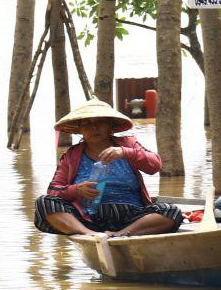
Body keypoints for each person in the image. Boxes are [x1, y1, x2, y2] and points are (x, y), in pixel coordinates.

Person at [33, 98, 184, 238]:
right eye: (87, 123)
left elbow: (155, 165)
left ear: (110, 126)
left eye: (100, 122)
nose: (94, 127)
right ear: (80, 129)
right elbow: (54, 190)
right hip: (89, 219)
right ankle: (89, 234)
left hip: (132, 217)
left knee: (171, 211)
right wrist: (77, 189)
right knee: (44, 202)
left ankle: (120, 234)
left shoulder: (128, 144)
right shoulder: (72, 155)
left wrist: (125, 153)